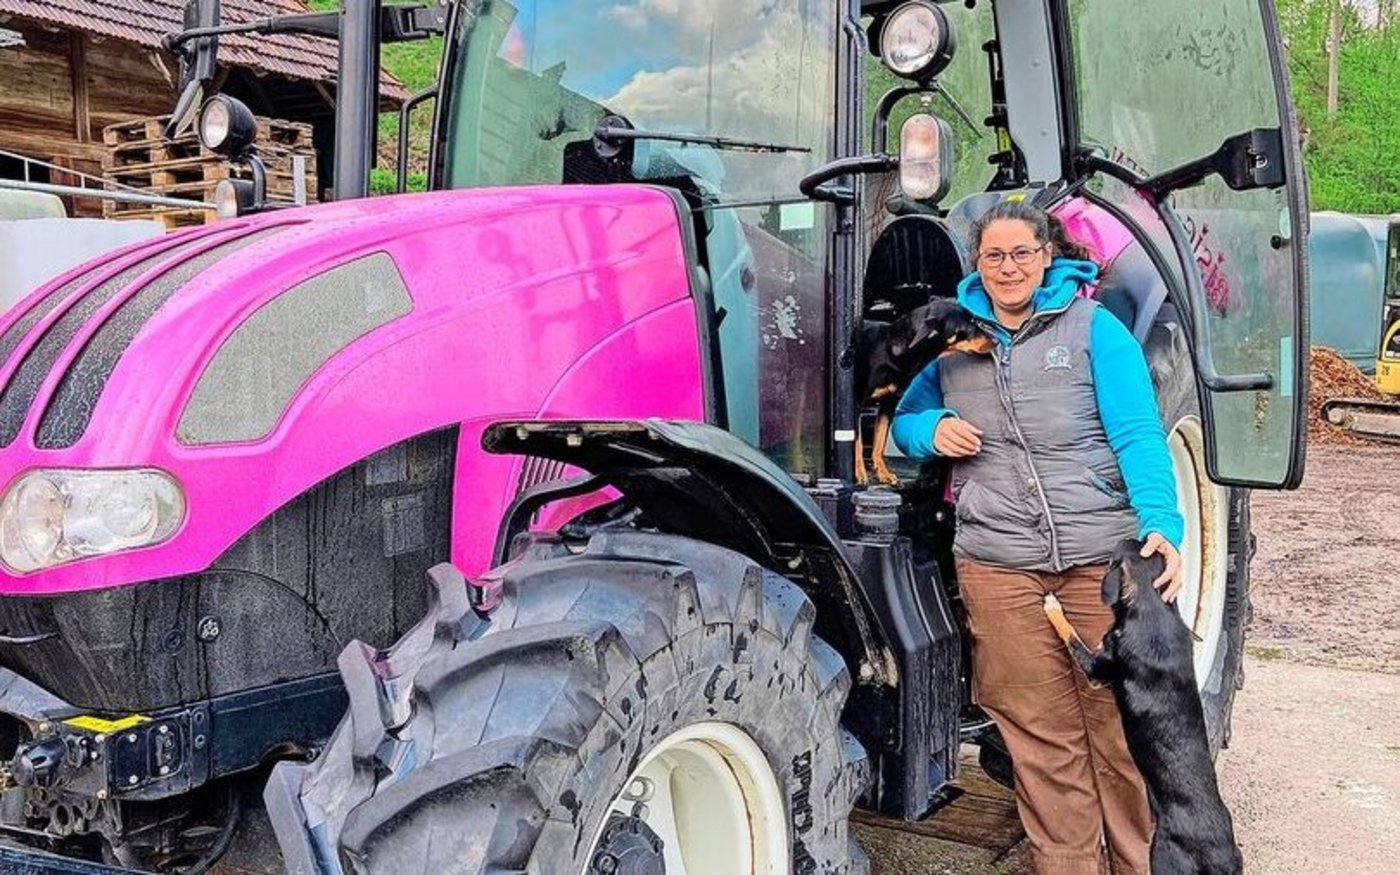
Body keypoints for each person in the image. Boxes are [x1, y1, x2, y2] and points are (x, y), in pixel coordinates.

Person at [891, 199, 1184, 875]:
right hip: (999, 568)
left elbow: (1139, 435)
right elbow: (902, 421)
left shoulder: (1094, 332)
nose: (1009, 267)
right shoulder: (953, 343)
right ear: (978, 264)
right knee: (1041, 742)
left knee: (1119, 730)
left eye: (1022, 252)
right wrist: (930, 429)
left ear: (1046, 255)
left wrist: (1161, 524)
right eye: (994, 255)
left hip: (1098, 562)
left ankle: (1139, 865)